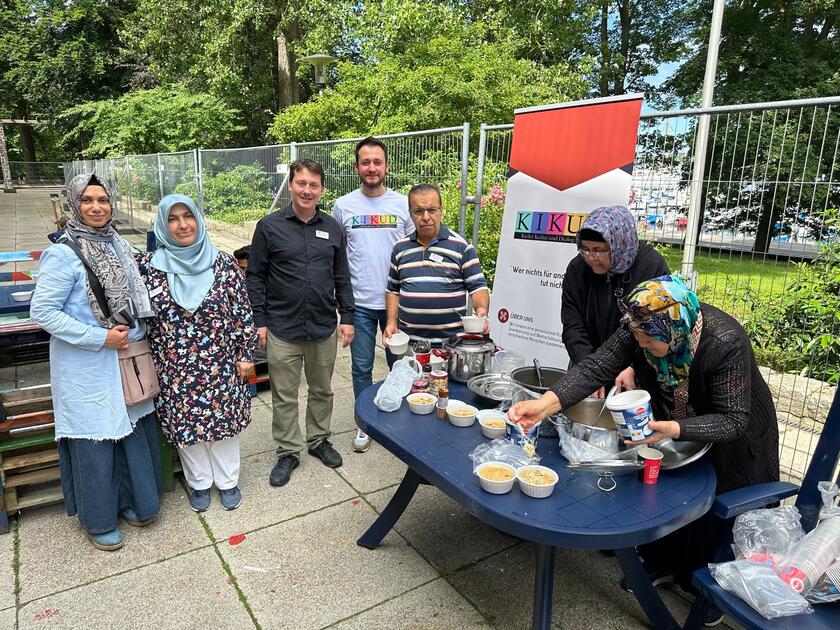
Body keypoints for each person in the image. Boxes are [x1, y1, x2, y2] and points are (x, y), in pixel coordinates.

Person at [509, 275, 779, 623]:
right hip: (677, 421)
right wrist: (544, 406)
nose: (640, 344)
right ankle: (662, 564)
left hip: (736, 439)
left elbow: (733, 420)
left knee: (714, 511)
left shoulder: (726, 342)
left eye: (648, 340)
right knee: (667, 493)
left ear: (676, 330)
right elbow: (596, 366)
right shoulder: (642, 320)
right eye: (636, 337)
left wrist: (676, 429)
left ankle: (707, 591)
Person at [30, 173, 161, 551]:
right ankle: (99, 519)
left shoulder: (117, 243)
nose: (97, 207)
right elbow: (44, 311)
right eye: (87, 200)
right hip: (87, 366)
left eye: (102, 199)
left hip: (125, 361)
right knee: (96, 442)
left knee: (129, 432)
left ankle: (135, 503)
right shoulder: (63, 252)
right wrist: (99, 337)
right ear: (74, 204)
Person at [138, 194, 257, 512]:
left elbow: (242, 311)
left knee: (223, 425)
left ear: (198, 219)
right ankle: (200, 484)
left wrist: (246, 353)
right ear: (163, 224)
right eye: (172, 219)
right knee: (187, 428)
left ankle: (228, 481)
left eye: (187, 216)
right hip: (174, 366)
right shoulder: (148, 268)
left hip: (221, 362)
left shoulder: (223, 262)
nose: (182, 225)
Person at [247, 158, 355, 487]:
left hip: (323, 327)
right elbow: (256, 276)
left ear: (322, 189)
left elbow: (342, 275)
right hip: (282, 327)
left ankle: (319, 440)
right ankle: (288, 451)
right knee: (284, 394)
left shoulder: (333, 228)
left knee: (322, 390)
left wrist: (347, 316)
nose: (307, 190)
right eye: (301, 183)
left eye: (314, 185)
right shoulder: (269, 227)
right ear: (291, 185)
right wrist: (259, 321)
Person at [332, 137, 413, 453]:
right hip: (361, 306)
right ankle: (365, 423)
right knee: (361, 368)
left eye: (377, 162)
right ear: (357, 167)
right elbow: (339, 257)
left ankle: (400, 422)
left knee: (400, 367)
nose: (371, 167)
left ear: (386, 166)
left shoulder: (401, 204)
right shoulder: (344, 206)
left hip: (398, 304)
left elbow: (411, 252)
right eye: (365, 162)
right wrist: (343, 306)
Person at [562, 205, 669, 397]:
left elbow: (658, 328)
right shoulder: (577, 269)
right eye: (585, 249)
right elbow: (573, 326)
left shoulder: (650, 266)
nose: (591, 258)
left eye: (600, 250)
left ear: (619, 243)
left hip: (634, 371)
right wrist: (588, 373)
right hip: (587, 363)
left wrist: (634, 367)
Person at [383, 184, 490, 346]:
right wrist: (391, 323)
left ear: (441, 211)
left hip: (451, 346)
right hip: (410, 344)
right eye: (418, 211)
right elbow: (393, 290)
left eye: (432, 210)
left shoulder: (462, 247)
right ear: (411, 215)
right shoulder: (400, 249)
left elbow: (478, 287)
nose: (426, 217)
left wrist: (481, 311)